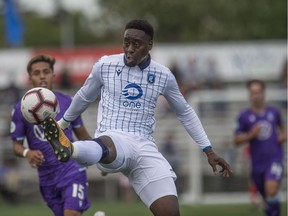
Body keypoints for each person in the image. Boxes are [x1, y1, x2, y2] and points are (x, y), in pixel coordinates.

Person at [41, 19, 232, 216]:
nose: (129, 49)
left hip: (145, 148)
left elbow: (185, 112)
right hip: (112, 139)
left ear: (149, 45)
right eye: (126, 42)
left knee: (170, 213)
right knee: (108, 144)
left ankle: (71, 147)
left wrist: (208, 150)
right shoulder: (105, 65)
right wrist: (62, 124)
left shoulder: (163, 75)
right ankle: (67, 147)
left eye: (136, 44)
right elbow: (83, 97)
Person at [10, 55, 91, 216]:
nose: (42, 76)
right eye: (36, 72)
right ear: (29, 78)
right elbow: (16, 145)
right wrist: (27, 152)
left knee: (71, 213)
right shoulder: (20, 109)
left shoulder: (68, 102)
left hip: (72, 169)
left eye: (46, 71)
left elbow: (83, 136)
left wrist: (101, 159)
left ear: (53, 76)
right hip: (47, 178)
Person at [234, 79, 286, 216]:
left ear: (263, 93)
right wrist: (251, 134)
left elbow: (283, 130)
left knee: (272, 190)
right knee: (269, 200)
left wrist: (283, 136)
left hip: (275, 159)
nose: (255, 95)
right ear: (249, 95)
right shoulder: (244, 116)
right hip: (257, 165)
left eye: (258, 92)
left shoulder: (274, 112)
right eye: (253, 93)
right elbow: (236, 140)